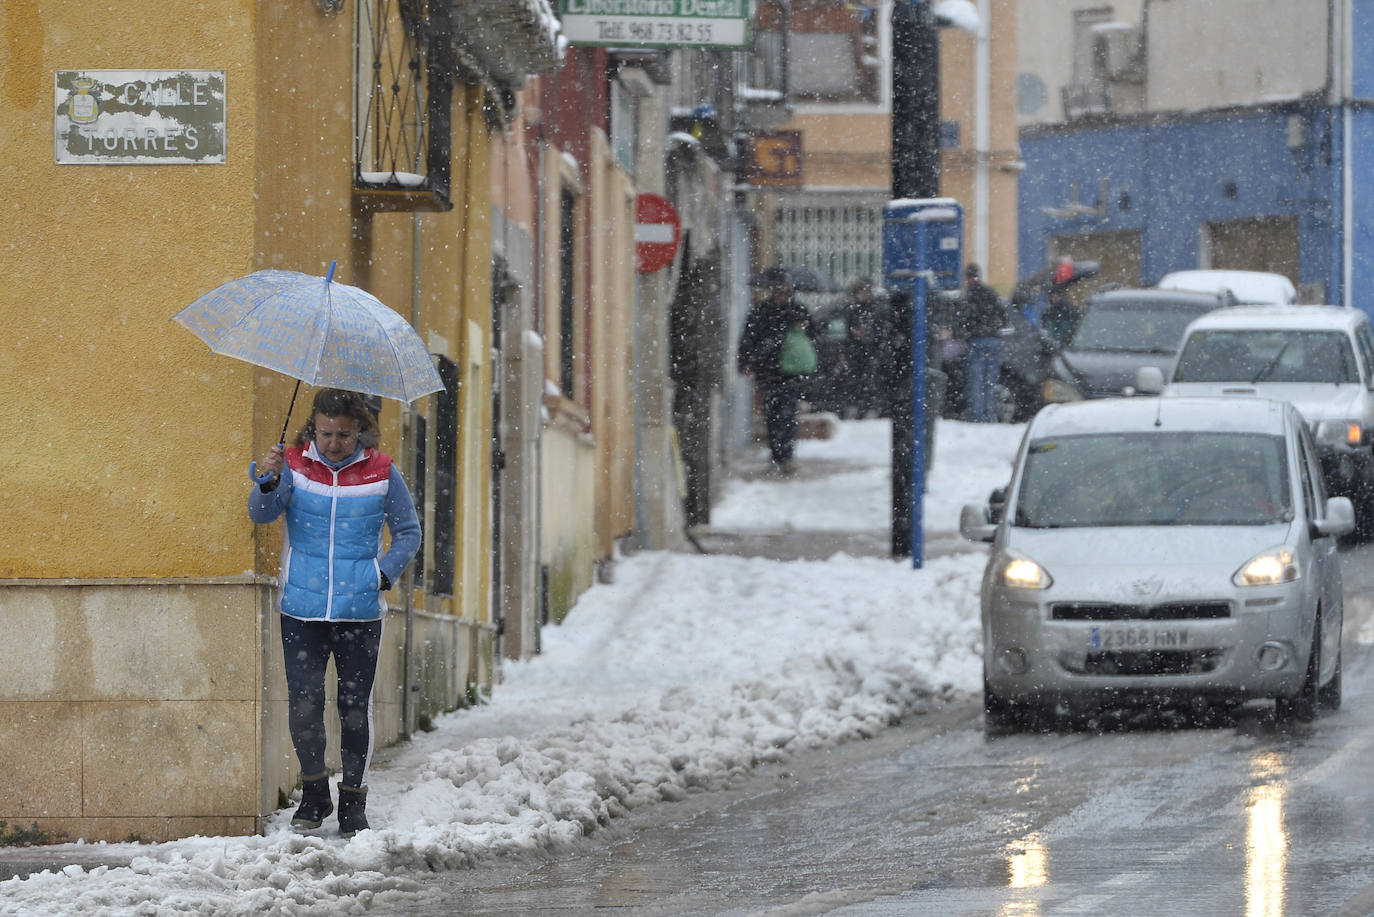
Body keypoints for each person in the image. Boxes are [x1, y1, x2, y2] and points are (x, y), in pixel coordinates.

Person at [248, 388, 421, 838]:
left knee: (353, 710)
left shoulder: (382, 472)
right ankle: (314, 794)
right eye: (325, 433)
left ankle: (353, 802)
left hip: (358, 612)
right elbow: (263, 514)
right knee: (303, 707)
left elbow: (408, 531)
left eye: (344, 435)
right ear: (314, 428)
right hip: (301, 611)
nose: (333, 443)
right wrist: (266, 479)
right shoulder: (293, 465)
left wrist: (381, 575)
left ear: (359, 431)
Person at [737, 272, 817, 473]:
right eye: (778, 290)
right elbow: (748, 338)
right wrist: (745, 362)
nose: (781, 294)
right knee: (772, 414)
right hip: (767, 370)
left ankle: (787, 455)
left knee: (788, 412)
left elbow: (813, 337)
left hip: (790, 371)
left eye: (785, 290)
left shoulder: (798, 311)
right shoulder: (761, 311)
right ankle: (776, 454)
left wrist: (802, 327)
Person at [960, 263, 1008, 423]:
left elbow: (961, 319)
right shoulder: (990, 292)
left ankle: (977, 416)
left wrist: (963, 332)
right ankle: (990, 415)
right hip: (993, 340)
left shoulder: (967, 295)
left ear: (967, 277)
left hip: (976, 341)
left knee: (976, 381)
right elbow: (1003, 314)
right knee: (990, 381)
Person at [838, 278, 889, 418]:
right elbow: (848, 331)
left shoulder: (875, 309)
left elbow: (880, 331)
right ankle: (857, 406)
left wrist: (867, 335)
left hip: (870, 350)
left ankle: (870, 407)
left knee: (870, 379)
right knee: (856, 380)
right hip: (857, 350)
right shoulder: (854, 309)